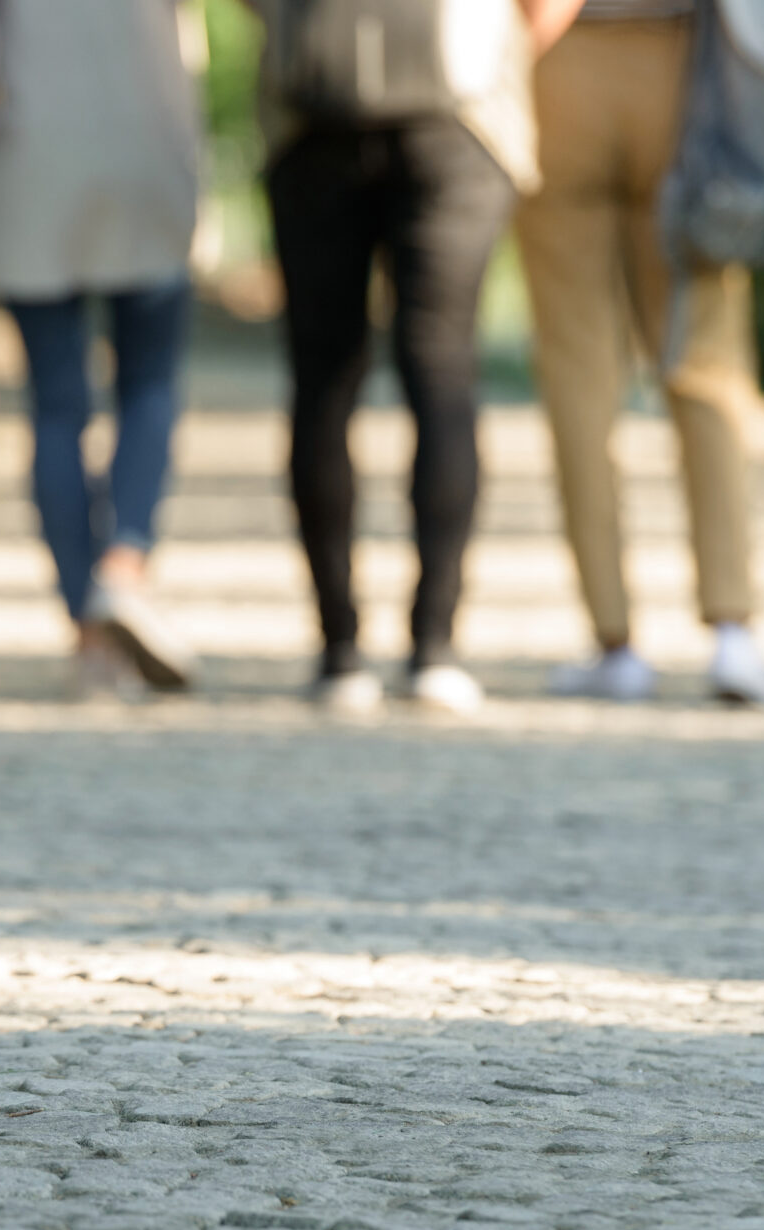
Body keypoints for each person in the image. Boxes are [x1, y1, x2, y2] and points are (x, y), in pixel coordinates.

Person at [253, 0, 583, 716]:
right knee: (441, 369)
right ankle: (435, 646)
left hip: (311, 115)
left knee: (322, 378)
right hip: (461, 116)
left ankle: (339, 650)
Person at [516, 0, 764, 706]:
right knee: (707, 361)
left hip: (555, 60)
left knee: (578, 366)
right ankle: (733, 629)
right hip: (686, 69)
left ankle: (614, 640)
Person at [0, 0, 203, 699]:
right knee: (149, 385)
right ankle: (123, 569)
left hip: (27, 144)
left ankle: (90, 641)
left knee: (57, 406)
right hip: (144, 141)